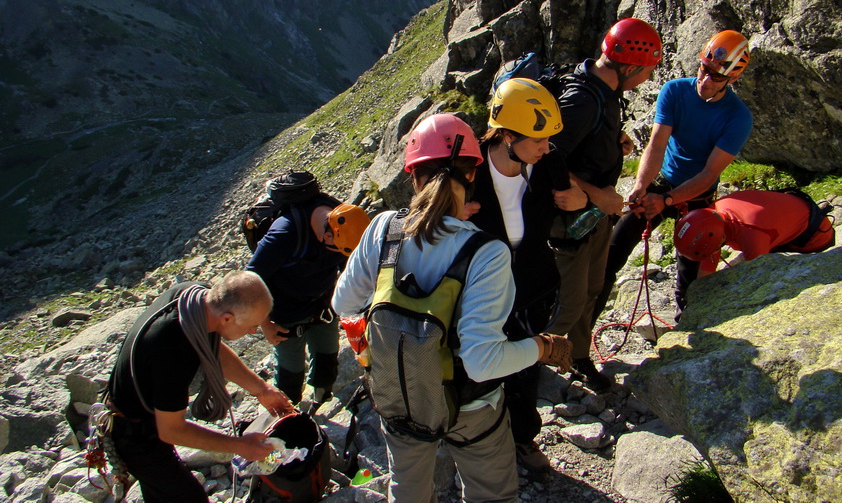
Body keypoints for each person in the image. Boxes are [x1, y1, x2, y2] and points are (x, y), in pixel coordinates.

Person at [332, 113, 572, 503]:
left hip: (401, 393)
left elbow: (343, 303)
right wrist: (543, 347)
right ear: (472, 174)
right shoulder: (487, 253)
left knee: (407, 490)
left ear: (413, 177)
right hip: (471, 404)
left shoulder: (382, 229)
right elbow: (482, 361)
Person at [466, 77, 586, 472]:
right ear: (506, 135)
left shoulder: (548, 163)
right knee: (478, 366)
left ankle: (522, 437)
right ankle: (475, 436)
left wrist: (579, 202)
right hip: (480, 291)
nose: (546, 147)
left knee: (525, 366)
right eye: (537, 140)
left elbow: (574, 215)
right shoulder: (469, 174)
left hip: (532, 288)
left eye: (548, 139)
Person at [597, 29, 753, 322]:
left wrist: (667, 200)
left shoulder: (738, 118)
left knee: (690, 276)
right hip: (663, 181)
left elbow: (709, 173)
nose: (705, 81)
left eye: (716, 77)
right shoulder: (676, 90)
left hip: (698, 195)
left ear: (732, 79)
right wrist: (642, 186)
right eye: (703, 70)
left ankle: (688, 325)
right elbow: (657, 144)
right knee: (612, 254)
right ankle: (581, 330)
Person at [106, 271, 294, 503]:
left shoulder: (195, 297)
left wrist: (261, 389)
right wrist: (239, 446)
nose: (253, 331)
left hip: (144, 417)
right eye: (251, 326)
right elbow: (171, 430)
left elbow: (212, 348)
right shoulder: (172, 348)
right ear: (227, 318)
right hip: (134, 433)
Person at [547, 17, 663, 390]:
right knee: (568, 301)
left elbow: (579, 144)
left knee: (594, 288)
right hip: (571, 217)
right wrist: (597, 194)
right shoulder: (583, 98)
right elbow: (547, 155)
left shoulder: (605, 90)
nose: (646, 78)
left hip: (594, 216)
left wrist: (615, 143)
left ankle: (577, 356)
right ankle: (519, 369)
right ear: (629, 66)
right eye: (646, 71)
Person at [247, 194, 370, 406]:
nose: (337, 255)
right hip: (285, 315)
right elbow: (250, 279)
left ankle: (322, 401)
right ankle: (289, 418)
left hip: (322, 306)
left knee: (327, 360)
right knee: (290, 375)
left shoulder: (346, 221)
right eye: (335, 251)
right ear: (327, 236)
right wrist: (265, 323)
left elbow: (350, 270)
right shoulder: (284, 233)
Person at [673, 189, 835, 276]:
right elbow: (706, 270)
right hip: (788, 223)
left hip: (812, 240)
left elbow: (759, 276)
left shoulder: (751, 235)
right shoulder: (711, 215)